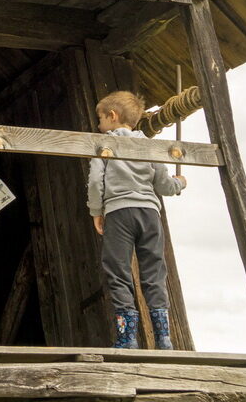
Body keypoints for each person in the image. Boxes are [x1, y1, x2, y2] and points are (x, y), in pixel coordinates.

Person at [87, 90, 187, 349]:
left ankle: (127, 337)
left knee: (118, 270)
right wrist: (179, 184)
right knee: (154, 271)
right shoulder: (149, 146)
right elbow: (163, 184)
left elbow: (96, 182)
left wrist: (96, 211)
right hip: (150, 214)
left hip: (119, 212)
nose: (98, 125)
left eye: (100, 119)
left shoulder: (104, 144)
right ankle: (163, 338)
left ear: (112, 116)